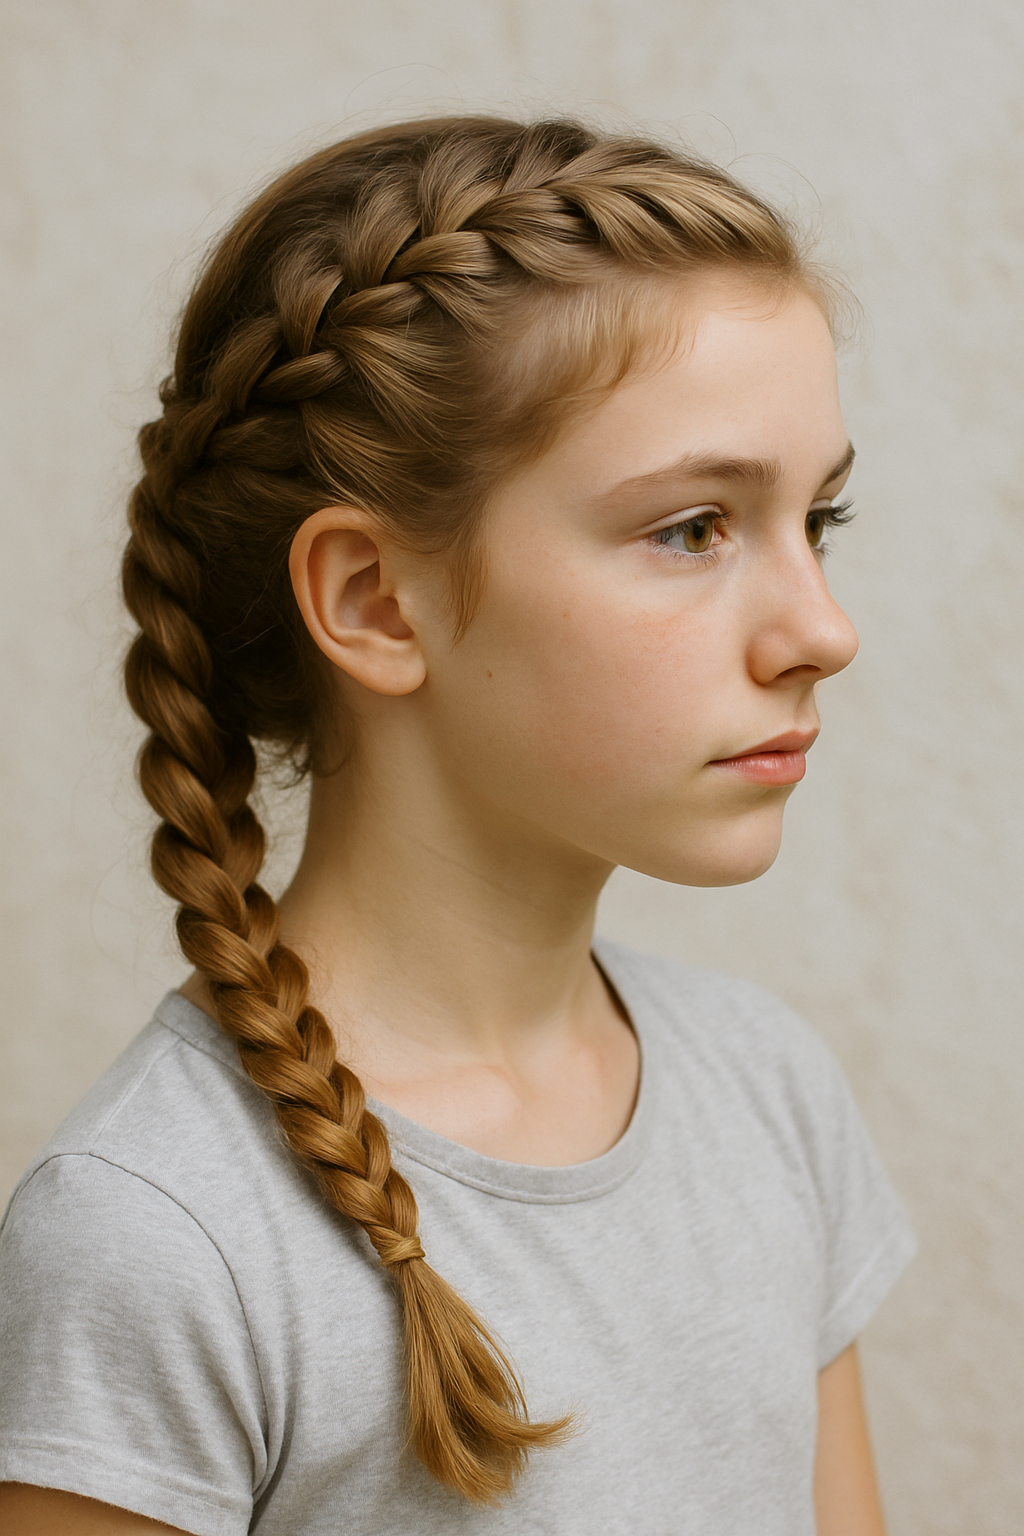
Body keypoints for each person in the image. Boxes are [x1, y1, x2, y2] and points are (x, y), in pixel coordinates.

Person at [0, 114, 914, 1535]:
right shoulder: (158, 1237)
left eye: (821, 519)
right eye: (694, 528)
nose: (823, 629)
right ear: (374, 600)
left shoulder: (768, 1095)